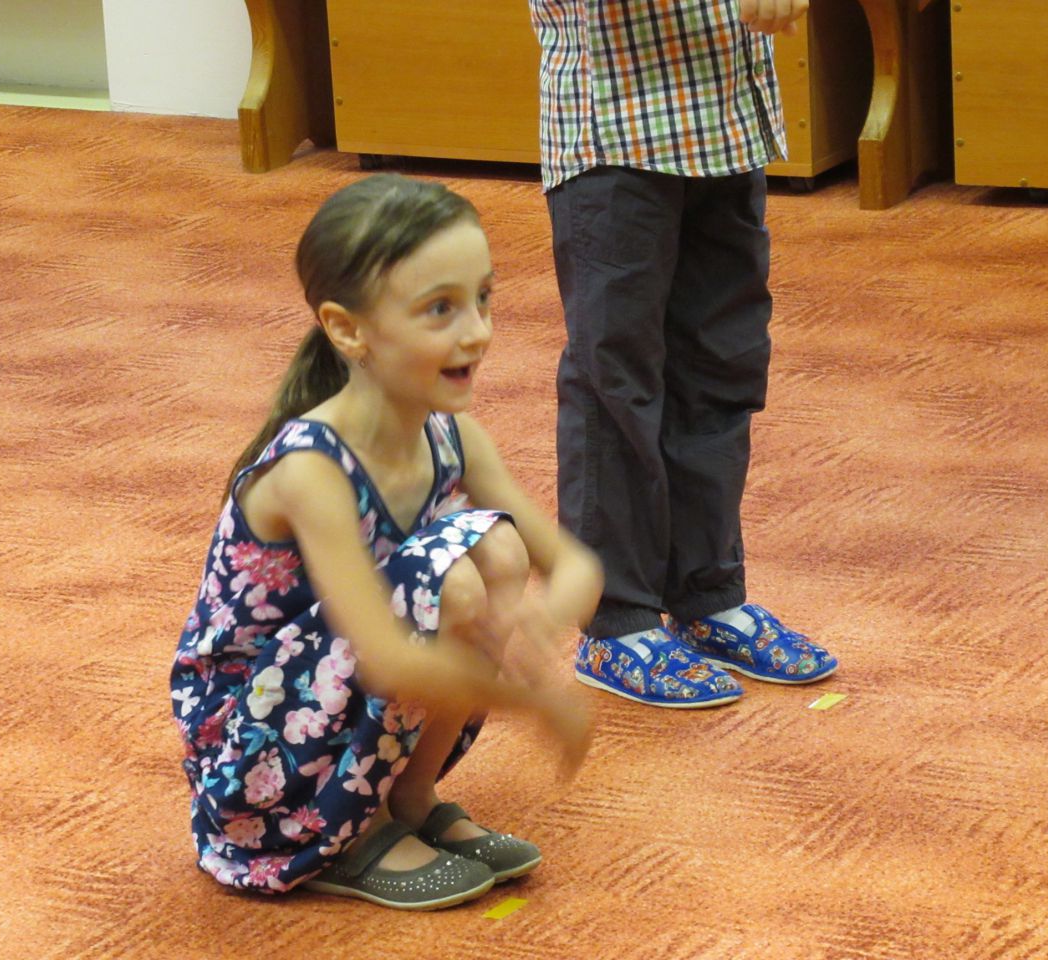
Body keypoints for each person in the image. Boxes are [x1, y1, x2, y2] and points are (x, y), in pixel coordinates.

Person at [170, 174, 601, 911]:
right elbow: (389, 655)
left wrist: (542, 616)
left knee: (495, 552)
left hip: (326, 708)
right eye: (440, 308)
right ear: (348, 330)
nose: (477, 331)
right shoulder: (311, 468)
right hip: (249, 757)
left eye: (483, 297)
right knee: (449, 581)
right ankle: (348, 831)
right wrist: (537, 703)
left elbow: (575, 565)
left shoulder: (453, 435)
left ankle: (408, 796)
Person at [529, 0, 838, 708]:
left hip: (729, 121)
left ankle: (708, 595)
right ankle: (617, 621)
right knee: (616, 381)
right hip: (617, 127)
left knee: (722, 364)